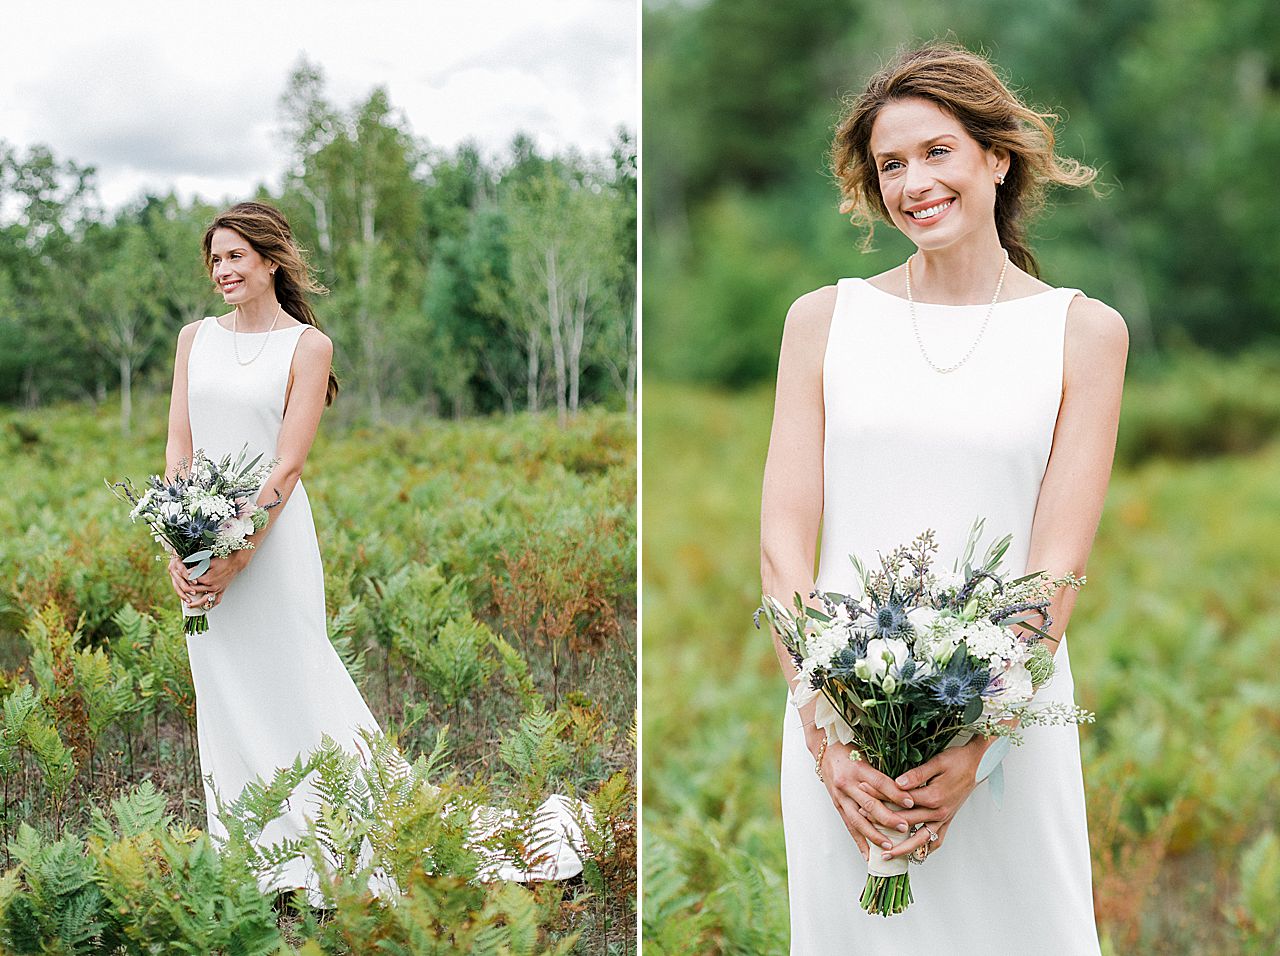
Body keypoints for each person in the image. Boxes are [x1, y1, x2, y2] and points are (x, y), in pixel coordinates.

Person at [759, 44, 1127, 953]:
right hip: (838, 720)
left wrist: (977, 746)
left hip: (1009, 728)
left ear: (996, 160)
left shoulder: (1083, 333)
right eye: (891, 164)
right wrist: (826, 737)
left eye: (937, 152)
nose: (913, 183)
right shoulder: (823, 320)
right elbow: (781, 541)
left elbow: (1057, 564)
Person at [164, 201, 584, 903]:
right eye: (214, 259)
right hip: (203, 540)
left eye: (236, 256)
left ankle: (326, 843)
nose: (222, 270)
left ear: (271, 260)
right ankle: (256, 855)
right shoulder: (192, 338)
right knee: (225, 687)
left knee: (292, 680)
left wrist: (239, 551)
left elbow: (288, 465)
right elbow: (179, 446)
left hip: (270, 543)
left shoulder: (308, 346)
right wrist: (183, 542)